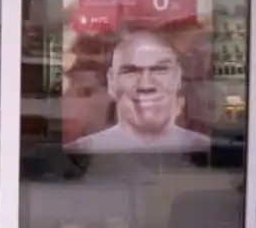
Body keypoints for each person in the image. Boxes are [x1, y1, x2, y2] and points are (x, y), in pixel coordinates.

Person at [65, 30, 210, 153]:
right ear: (112, 82)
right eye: (131, 71)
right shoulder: (77, 153)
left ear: (177, 77)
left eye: (159, 70)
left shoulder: (207, 150)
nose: (145, 85)